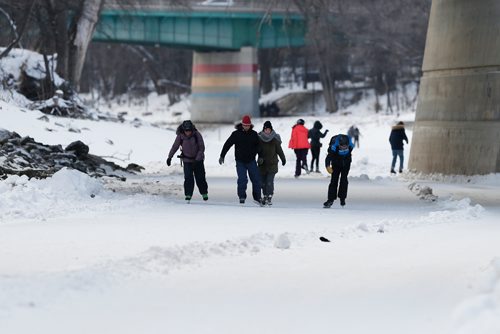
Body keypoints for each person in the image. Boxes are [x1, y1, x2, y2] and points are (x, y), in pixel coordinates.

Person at [219, 115, 264, 205]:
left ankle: (257, 197)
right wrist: (222, 155)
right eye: (245, 125)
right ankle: (242, 196)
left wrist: (260, 156)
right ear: (242, 125)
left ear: (250, 125)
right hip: (240, 161)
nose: (246, 127)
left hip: (251, 160)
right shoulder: (236, 134)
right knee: (242, 179)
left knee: (256, 179)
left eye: (248, 125)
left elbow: (259, 146)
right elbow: (227, 144)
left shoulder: (254, 134)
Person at [166, 120, 208, 202]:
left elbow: (201, 147)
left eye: (189, 130)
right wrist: (169, 157)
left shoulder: (197, 134)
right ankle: (188, 195)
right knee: (188, 178)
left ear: (192, 129)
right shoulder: (180, 136)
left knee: (200, 178)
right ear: (183, 130)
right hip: (187, 160)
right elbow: (175, 147)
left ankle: (204, 193)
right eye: (186, 131)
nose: (188, 132)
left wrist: (197, 159)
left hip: (198, 160)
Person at [257, 121, 286, 206]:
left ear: (271, 129)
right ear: (263, 129)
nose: (267, 131)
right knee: (262, 182)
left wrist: (283, 159)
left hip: (272, 164)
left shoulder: (275, 139)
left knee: (269, 182)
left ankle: (269, 196)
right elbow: (255, 150)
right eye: (265, 129)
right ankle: (265, 195)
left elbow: (279, 150)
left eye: (268, 129)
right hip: (262, 165)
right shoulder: (259, 139)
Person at [323, 133, 354, 208]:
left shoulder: (350, 146)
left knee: (344, 180)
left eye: (345, 147)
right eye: (342, 147)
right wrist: (327, 166)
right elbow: (328, 157)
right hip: (336, 164)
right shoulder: (334, 147)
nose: (343, 148)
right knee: (334, 180)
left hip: (346, 164)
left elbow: (349, 155)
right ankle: (330, 200)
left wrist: (347, 160)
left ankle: (342, 198)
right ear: (339, 145)